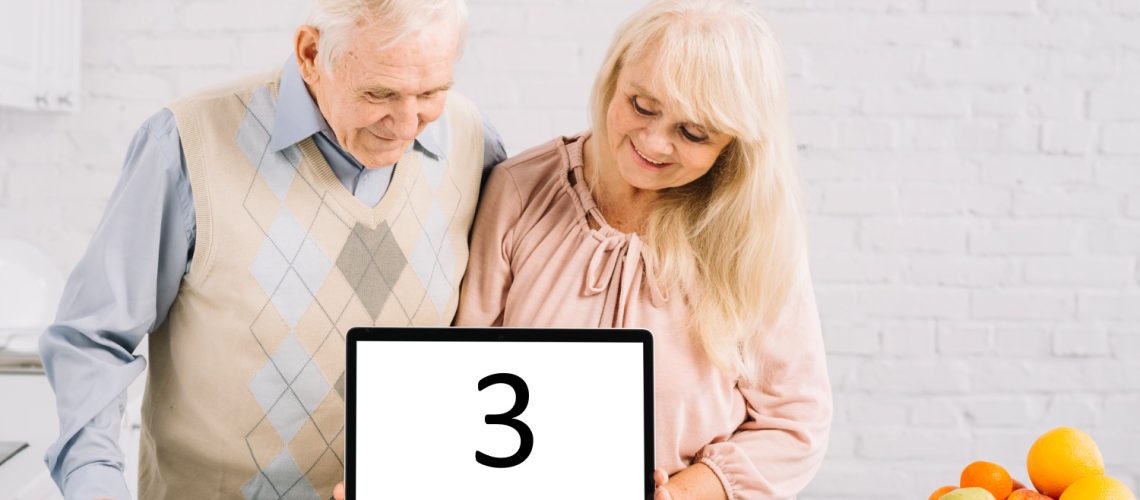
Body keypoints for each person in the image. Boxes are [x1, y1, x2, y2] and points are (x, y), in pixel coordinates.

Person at [38, 0, 506, 498]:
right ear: (310, 53)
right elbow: (93, 340)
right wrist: (96, 485)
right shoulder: (186, 144)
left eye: (432, 92)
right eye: (379, 92)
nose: (409, 123)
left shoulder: (473, 145)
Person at [455, 0, 832, 498]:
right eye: (641, 105)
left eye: (693, 132)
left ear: (733, 144)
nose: (653, 143)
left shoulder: (755, 235)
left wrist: (679, 493)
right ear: (614, 77)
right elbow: (461, 383)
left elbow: (795, 421)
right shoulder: (519, 191)